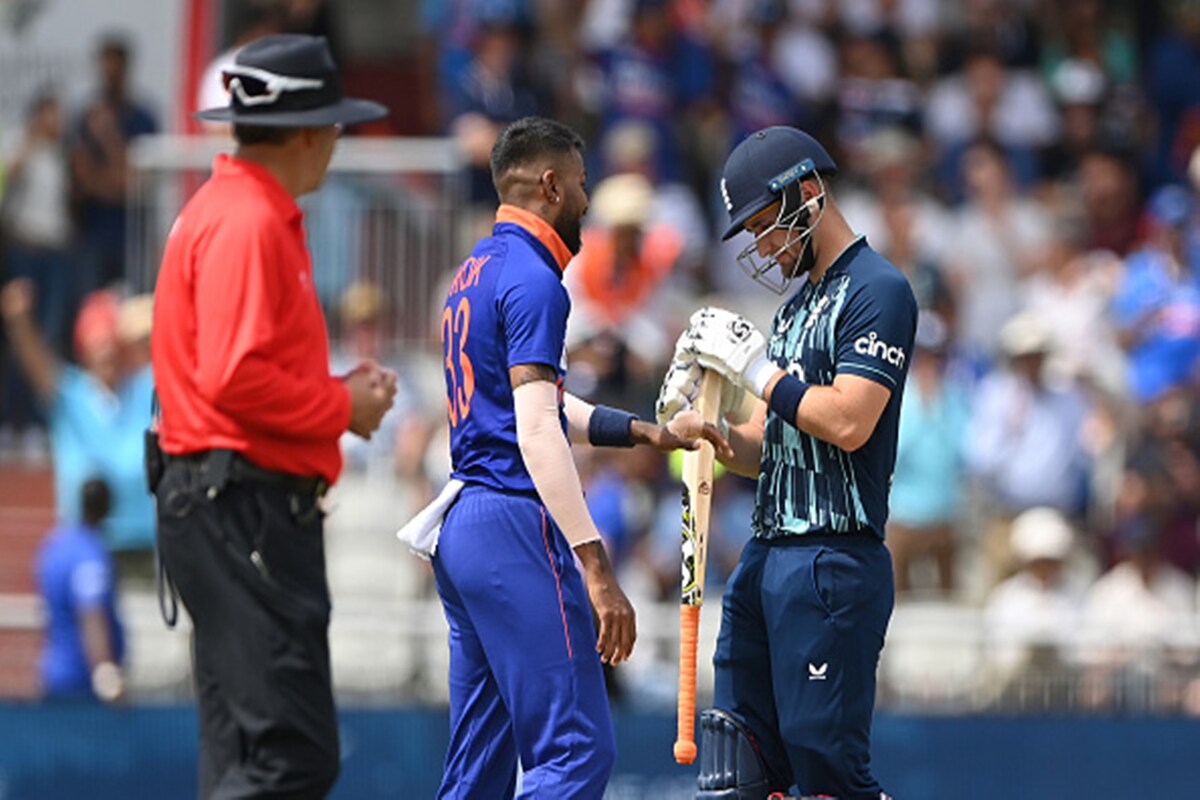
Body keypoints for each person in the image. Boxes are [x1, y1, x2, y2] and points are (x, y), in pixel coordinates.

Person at [426, 116, 728, 799]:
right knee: (576, 752)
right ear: (551, 184)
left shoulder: (475, 271)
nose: (588, 204)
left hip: (464, 524)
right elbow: (535, 431)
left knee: (478, 765)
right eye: (584, 186)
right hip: (514, 523)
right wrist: (596, 568)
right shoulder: (537, 280)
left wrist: (642, 432)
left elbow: (530, 407)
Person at [150, 35, 395, 799]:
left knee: (241, 754)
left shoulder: (232, 210)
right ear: (305, 130)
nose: (336, 139)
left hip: (224, 500)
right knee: (292, 754)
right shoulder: (249, 219)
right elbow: (233, 379)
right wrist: (340, 406)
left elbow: (232, 373)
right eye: (331, 122)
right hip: (243, 509)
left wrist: (333, 395)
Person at [657, 126, 917, 799]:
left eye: (766, 227)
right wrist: (703, 427)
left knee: (826, 771)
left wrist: (756, 369)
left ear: (808, 194)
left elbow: (849, 422)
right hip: (766, 555)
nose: (764, 248)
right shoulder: (798, 306)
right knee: (736, 767)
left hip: (833, 558)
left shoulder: (878, 289)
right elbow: (765, 445)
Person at [0, 279, 157, 572]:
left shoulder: (143, 388)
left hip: (144, 542)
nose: (105, 354)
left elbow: (161, 352)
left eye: (111, 343)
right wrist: (19, 322)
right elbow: (39, 367)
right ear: (83, 350)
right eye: (96, 344)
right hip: (86, 545)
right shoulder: (71, 394)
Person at [36, 478, 127, 704]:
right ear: (107, 506)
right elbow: (91, 611)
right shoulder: (90, 555)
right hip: (82, 684)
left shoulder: (55, 546)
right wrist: (104, 672)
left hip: (53, 672)